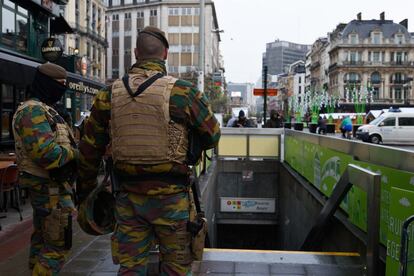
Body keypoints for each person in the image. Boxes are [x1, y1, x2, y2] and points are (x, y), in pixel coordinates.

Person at [77, 26, 221, 275]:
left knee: (130, 267)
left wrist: (86, 192)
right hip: (172, 199)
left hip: (127, 196)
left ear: (135, 53)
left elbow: (89, 149)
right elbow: (212, 135)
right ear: (165, 54)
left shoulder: (108, 94)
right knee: (176, 266)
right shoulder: (183, 92)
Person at [12, 63, 78, 275]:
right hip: (48, 188)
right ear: (47, 84)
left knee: (44, 240)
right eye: (59, 85)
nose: (62, 90)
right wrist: (78, 153)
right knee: (58, 244)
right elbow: (47, 155)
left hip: (52, 187)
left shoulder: (45, 109)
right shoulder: (32, 111)